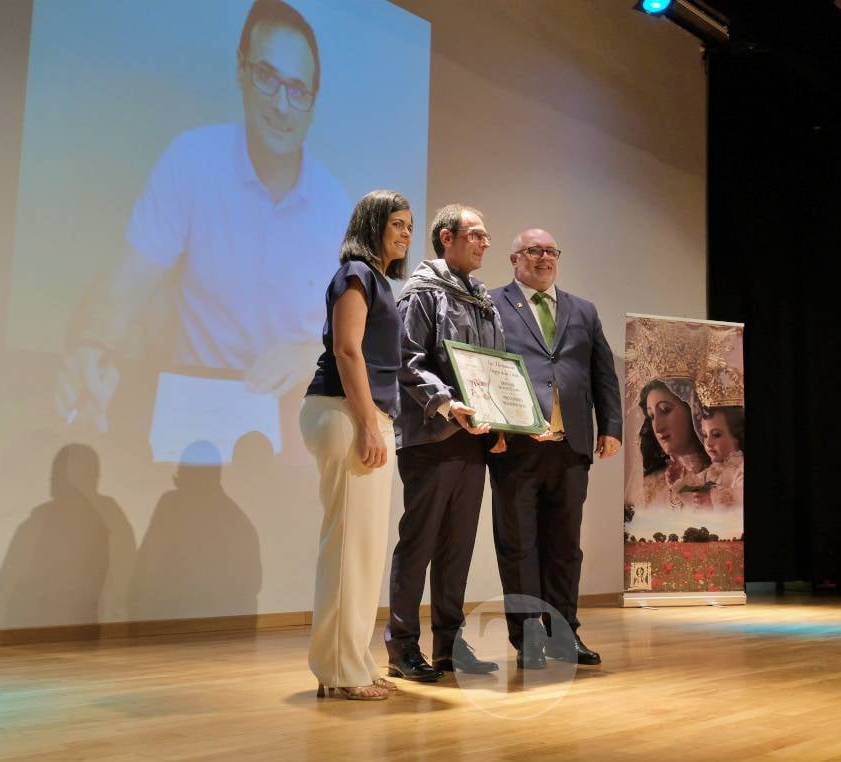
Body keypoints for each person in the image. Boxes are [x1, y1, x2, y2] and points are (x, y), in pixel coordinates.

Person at [55, 0, 352, 431]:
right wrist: (91, 346)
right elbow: (125, 289)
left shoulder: (336, 205)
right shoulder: (190, 162)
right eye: (267, 77)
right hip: (195, 411)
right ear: (241, 71)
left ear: (312, 102)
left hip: (297, 422)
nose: (281, 105)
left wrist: (315, 355)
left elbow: (360, 339)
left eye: (297, 89)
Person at [488, 229, 621, 669]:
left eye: (550, 251)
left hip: (571, 448)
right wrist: (495, 429)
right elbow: (483, 369)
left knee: (566, 548)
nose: (544, 258)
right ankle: (527, 639)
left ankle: (565, 635)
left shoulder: (583, 309)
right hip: (516, 447)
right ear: (514, 258)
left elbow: (602, 372)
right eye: (534, 251)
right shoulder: (491, 304)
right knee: (519, 547)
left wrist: (612, 426)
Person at [299, 189, 412, 701]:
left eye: (410, 225)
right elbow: (347, 349)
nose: (405, 233)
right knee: (349, 548)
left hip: (361, 415)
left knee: (362, 548)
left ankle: (353, 661)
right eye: (396, 223)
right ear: (371, 224)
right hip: (347, 413)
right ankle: (341, 669)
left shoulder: (378, 280)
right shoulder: (356, 273)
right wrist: (368, 423)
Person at [385, 204, 505, 681]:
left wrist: (501, 423)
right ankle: (401, 645)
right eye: (475, 234)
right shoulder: (421, 293)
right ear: (446, 237)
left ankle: (450, 647)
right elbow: (406, 360)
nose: (484, 243)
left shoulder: (481, 298)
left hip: (472, 440)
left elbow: (494, 369)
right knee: (420, 543)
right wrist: (447, 403)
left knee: (458, 546)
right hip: (431, 435)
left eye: (485, 235)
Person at [637, 378, 711, 511]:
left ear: (692, 410)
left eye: (665, 410)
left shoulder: (723, 476)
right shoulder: (650, 486)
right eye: (652, 416)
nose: (657, 427)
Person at [698, 405, 745, 507]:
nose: (708, 443)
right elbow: (692, 495)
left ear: (735, 436)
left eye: (716, 435)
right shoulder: (707, 473)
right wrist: (678, 483)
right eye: (705, 435)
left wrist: (712, 498)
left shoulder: (740, 468)